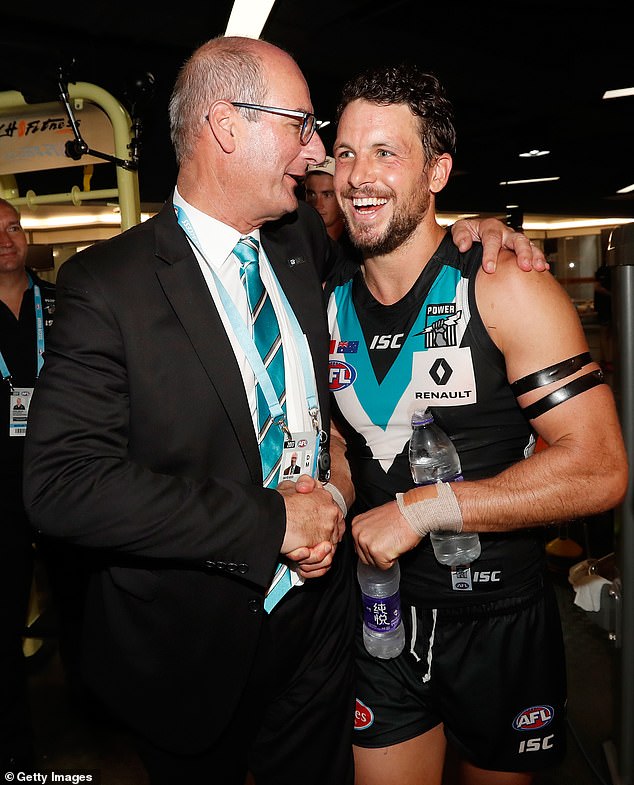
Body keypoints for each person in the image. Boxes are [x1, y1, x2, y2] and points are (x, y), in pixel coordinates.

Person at [22, 36, 548, 785]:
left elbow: (394, 257)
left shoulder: (301, 238)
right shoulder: (107, 286)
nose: (319, 153)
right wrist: (274, 522)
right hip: (194, 647)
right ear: (229, 127)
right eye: (301, 125)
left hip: (326, 628)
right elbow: (62, 485)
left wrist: (473, 235)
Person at [324, 65, 628, 785]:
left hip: (497, 619)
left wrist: (429, 508)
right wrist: (335, 502)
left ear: (438, 170)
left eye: (385, 152)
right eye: (344, 152)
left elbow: (600, 466)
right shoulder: (325, 297)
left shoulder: (502, 281)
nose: (358, 175)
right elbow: (339, 440)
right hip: (380, 613)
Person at [0, 197, 56, 772]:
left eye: (13, 227)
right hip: (1, 494)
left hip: (69, 477)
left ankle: (108, 714)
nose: (6, 239)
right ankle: (16, 750)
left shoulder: (62, 302)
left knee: (93, 608)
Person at [304, 156, 361, 276]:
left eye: (327, 195)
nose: (317, 204)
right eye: (312, 194)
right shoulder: (296, 244)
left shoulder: (359, 247)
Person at [594, 261, 613, 372]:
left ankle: (606, 359)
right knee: (604, 333)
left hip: (610, 307)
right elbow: (597, 287)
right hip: (603, 307)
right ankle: (607, 360)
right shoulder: (602, 271)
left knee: (608, 334)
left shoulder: (611, 271)